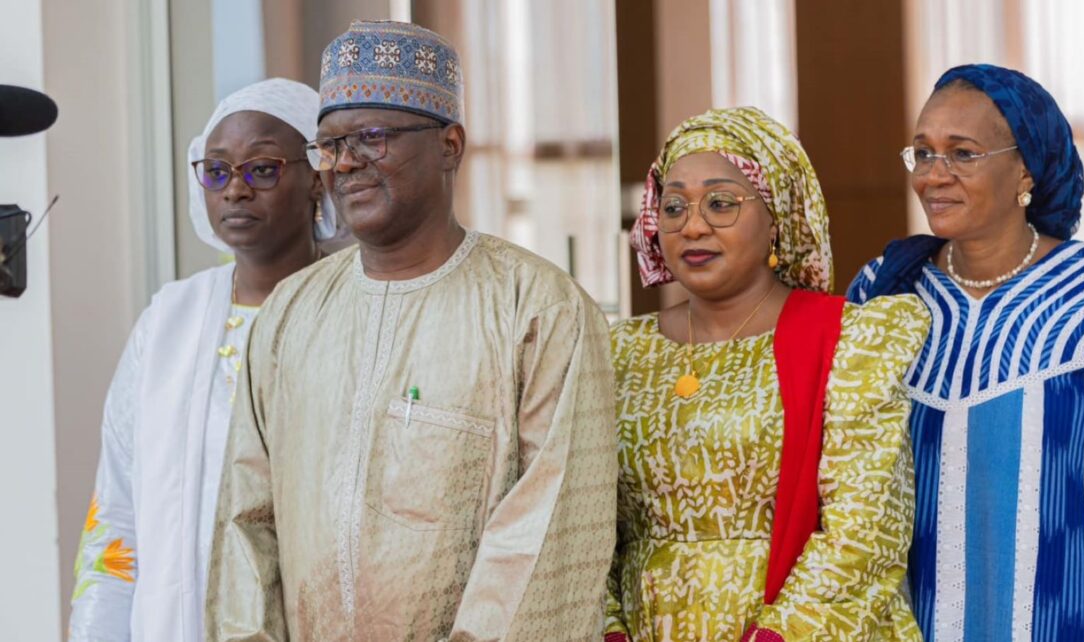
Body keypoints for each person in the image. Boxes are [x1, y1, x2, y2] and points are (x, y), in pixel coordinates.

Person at [204, 20, 616, 641]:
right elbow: (245, 522)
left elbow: (545, 542)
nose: (346, 164)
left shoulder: (538, 309)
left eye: (372, 137)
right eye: (330, 145)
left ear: (450, 144)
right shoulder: (290, 314)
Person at [848, 64, 1084, 642]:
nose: (933, 176)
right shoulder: (885, 293)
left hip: (1074, 625)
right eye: (922, 153)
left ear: (1026, 169)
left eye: (961, 154)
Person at [605, 106, 929, 642]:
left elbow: (867, 532)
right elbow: (585, 526)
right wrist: (608, 628)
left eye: (721, 203)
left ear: (776, 215)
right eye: (674, 206)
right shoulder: (617, 351)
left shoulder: (849, 342)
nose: (693, 225)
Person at [68, 78, 337, 642]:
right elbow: (116, 516)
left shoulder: (352, 312)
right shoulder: (168, 321)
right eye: (217, 171)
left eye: (261, 169)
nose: (234, 190)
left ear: (317, 179)